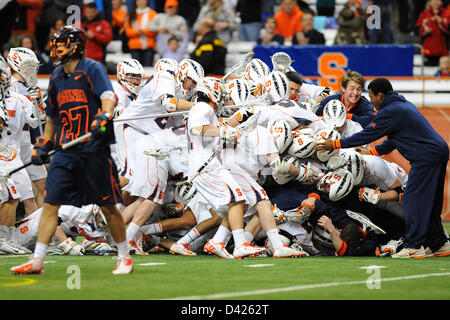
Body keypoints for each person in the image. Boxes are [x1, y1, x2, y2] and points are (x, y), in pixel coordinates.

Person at [11, 25, 133, 275]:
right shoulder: (56, 77)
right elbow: (53, 117)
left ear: (75, 46)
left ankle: (124, 257)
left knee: (108, 206)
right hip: (66, 151)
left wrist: (105, 114)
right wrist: (45, 143)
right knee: (51, 203)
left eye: (62, 43)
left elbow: (109, 95)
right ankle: (38, 261)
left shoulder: (92, 69)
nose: (56, 48)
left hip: (92, 150)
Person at [315, 77, 450, 258]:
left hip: (425, 157)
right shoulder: (402, 105)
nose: (370, 101)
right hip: (436, 152)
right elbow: (393, 140)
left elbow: (367, 133)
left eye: (371, 97)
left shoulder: (391, 111)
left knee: (412, 199)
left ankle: (414, 246)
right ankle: (439, 243)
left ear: (380, 95)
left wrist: (336, 143)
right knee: (430, 201)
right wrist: (369, 153)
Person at [416, 0, 450, 66]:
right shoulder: (424, 13)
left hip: (443, 52)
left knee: (443, 73)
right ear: (430, 1)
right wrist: (425, 30)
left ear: (442, 2)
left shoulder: (447, 14)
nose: (435, 2)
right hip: (427, 52)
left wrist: (442, 22)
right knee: (427, 73)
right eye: (433, 0)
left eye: (438, 0)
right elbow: (418, 29)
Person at [125, 0, 158, 67]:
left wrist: (143, 31)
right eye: (139, 0)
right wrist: (137, 32)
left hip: (149, 46)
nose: (141, 2)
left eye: (143, 0)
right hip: (134, 46)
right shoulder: (131, 14)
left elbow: (155, 30)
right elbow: (128, 31)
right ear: (136, 2)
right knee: (136, 70)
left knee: (147, 69)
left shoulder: (153, 14)